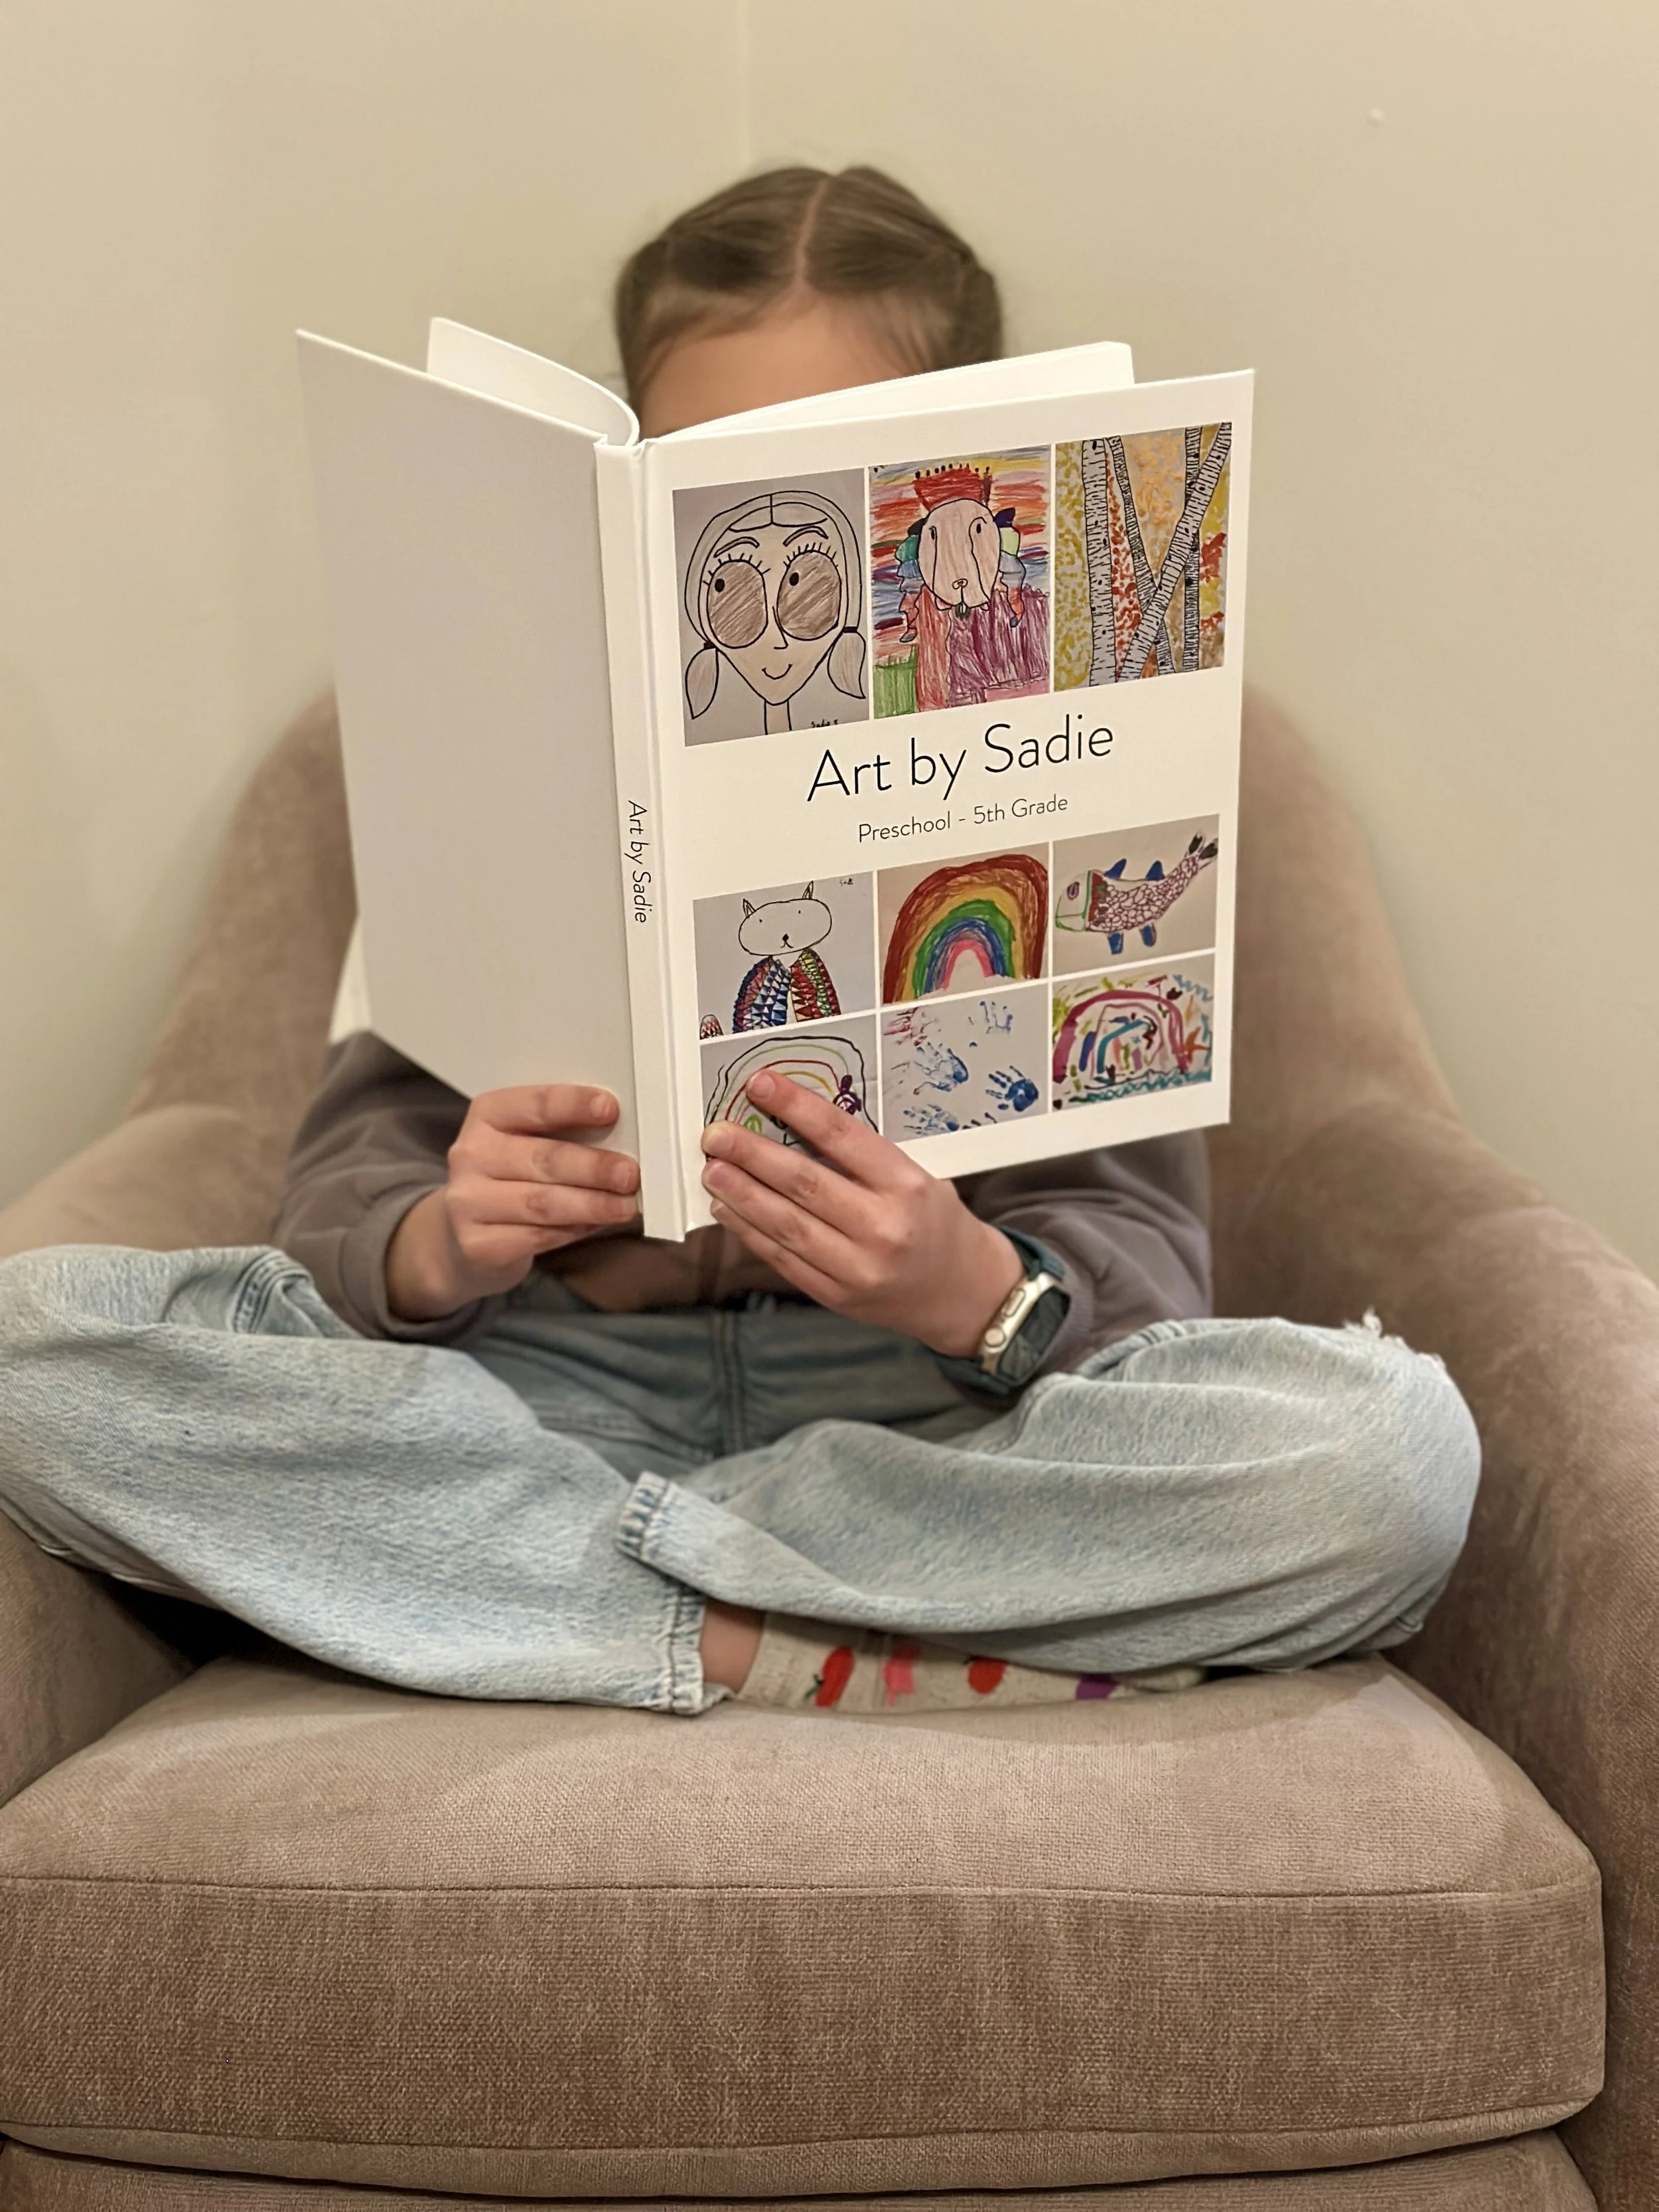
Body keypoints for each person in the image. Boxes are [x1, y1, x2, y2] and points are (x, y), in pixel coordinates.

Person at [0, 167, 1480, 1718]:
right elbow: (337, 1194)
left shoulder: (1085, 752)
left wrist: (967, 1286)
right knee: (33, 1349)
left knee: (1387, 1458)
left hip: (923, 1429)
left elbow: (1145, 1282)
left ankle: (549, 1599)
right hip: (548, 1392)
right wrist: (441, 1240)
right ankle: (788, 1631)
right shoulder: (501, 743)